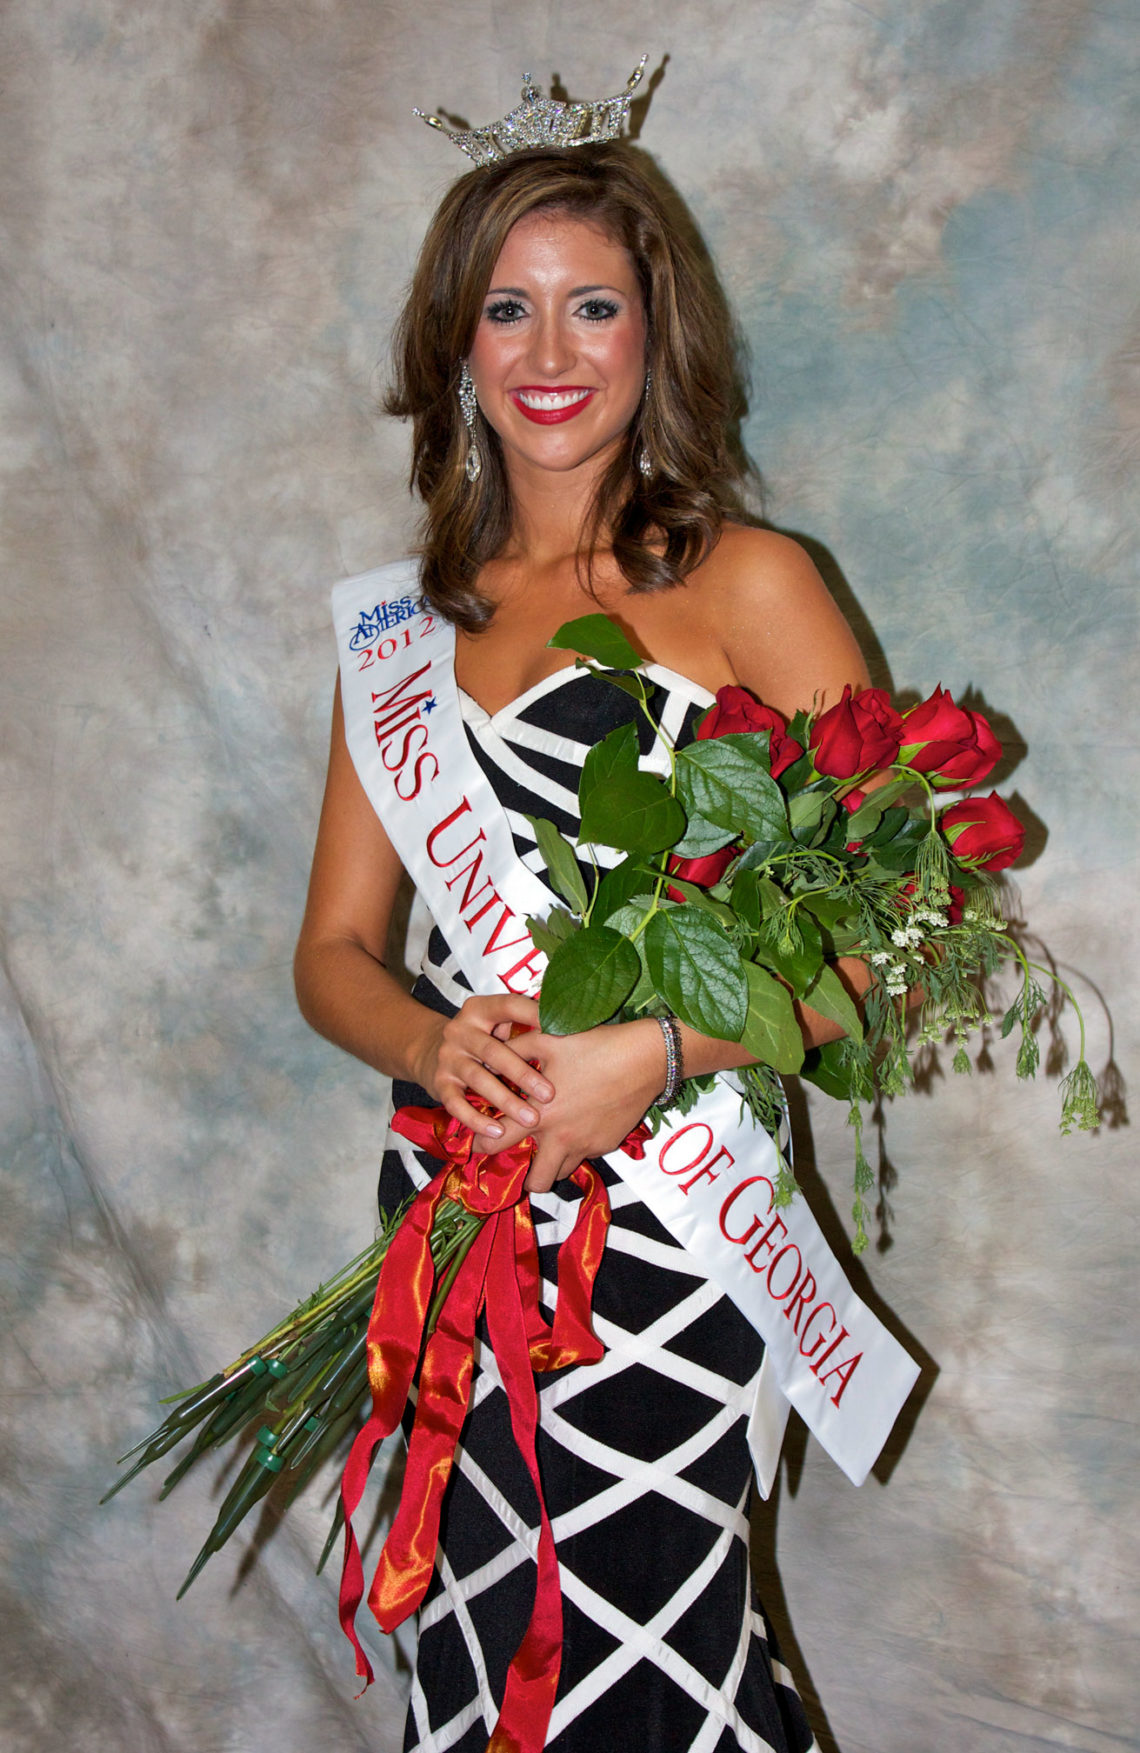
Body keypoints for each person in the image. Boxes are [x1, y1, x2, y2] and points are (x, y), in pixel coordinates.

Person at [295, 132, 872, 1753]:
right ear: (455, 347)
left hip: (672, 1238)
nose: (551, 356)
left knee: (650, 1623)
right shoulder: (405, 633)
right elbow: (334, 948)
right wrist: (428, 1040)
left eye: (594, 308)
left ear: (654, 332)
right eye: (508, 312)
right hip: (459, 1207)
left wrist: (660, 1050)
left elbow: (877, 959)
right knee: (478, 1625)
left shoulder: (752, 583)